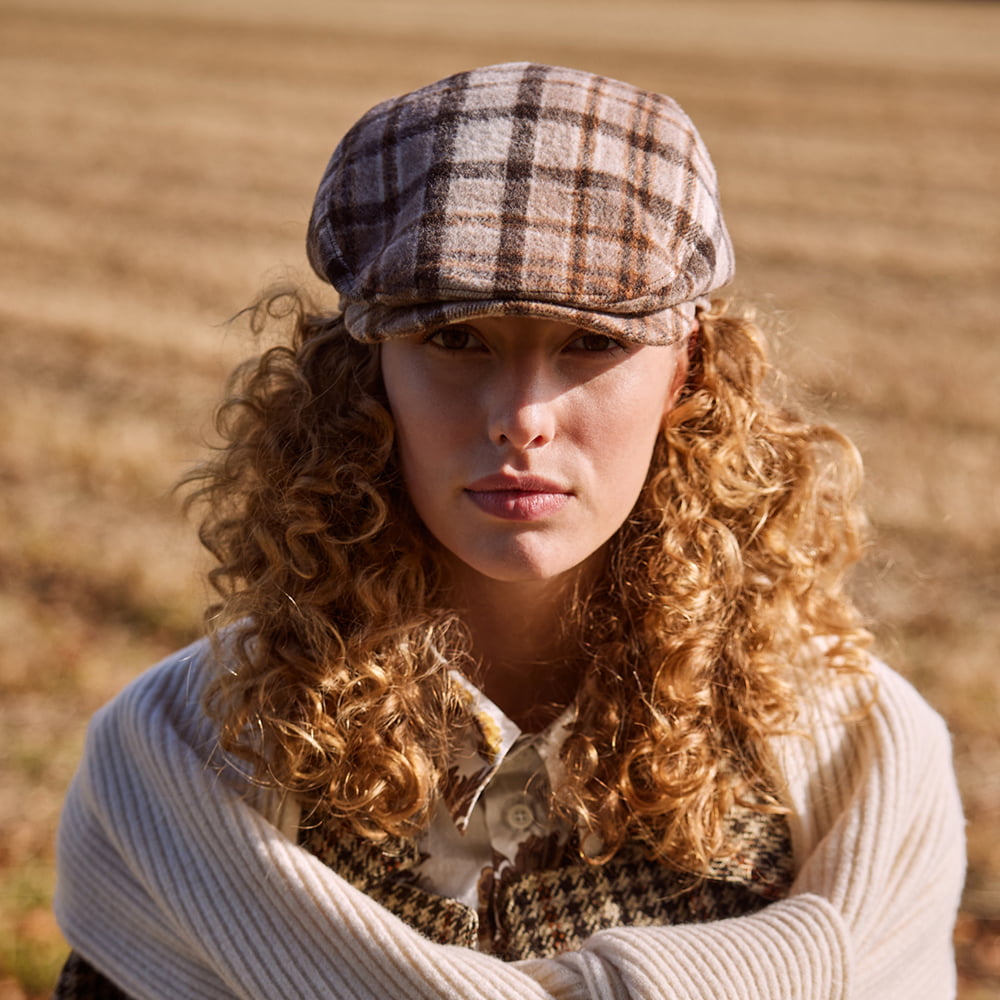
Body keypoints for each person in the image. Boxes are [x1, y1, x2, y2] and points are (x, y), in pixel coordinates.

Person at [53, 62, 964, 999]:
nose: (520, 416)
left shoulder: (857, 754)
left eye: (592, 341)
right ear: (368, 375)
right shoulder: (184, 758)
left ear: (685, 371)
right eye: (455, 340)